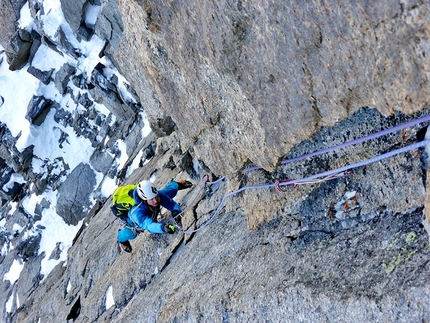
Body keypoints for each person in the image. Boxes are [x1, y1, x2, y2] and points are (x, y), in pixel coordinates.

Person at [117, 179, 192, 253]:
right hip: (132, 223)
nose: (155, 200)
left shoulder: (155, 196)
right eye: (152, 199)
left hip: (149, 206)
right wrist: (162, 228)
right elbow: (149, 225)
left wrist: (175, 211)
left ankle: (177, 184)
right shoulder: (137, 213)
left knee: (171, 191)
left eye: (155, 197)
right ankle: (121, 240)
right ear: (145, 199)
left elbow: (172, 204)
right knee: (130, 234)